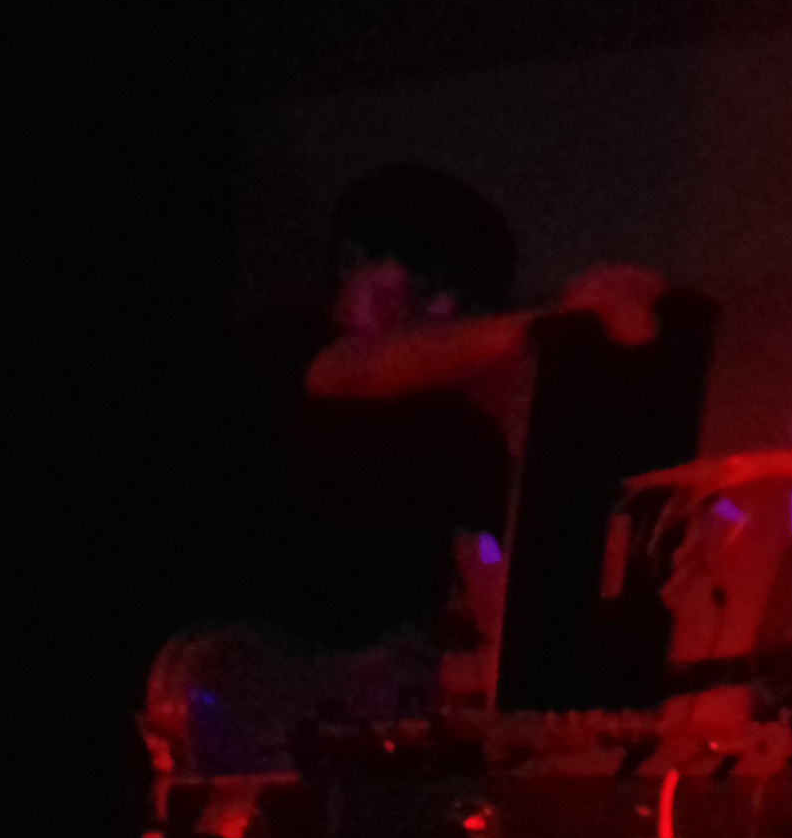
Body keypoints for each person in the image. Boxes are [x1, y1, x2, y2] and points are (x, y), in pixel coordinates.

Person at [151, 164, 675, 775]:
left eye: (465, 302)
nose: (447, 312)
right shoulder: (281, 346)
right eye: (429, 287)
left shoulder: (458, 438)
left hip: (356, 754)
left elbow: (499, 584)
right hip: (210, 725)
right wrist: (549, 330)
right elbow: (360, 370)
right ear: (352, 266)